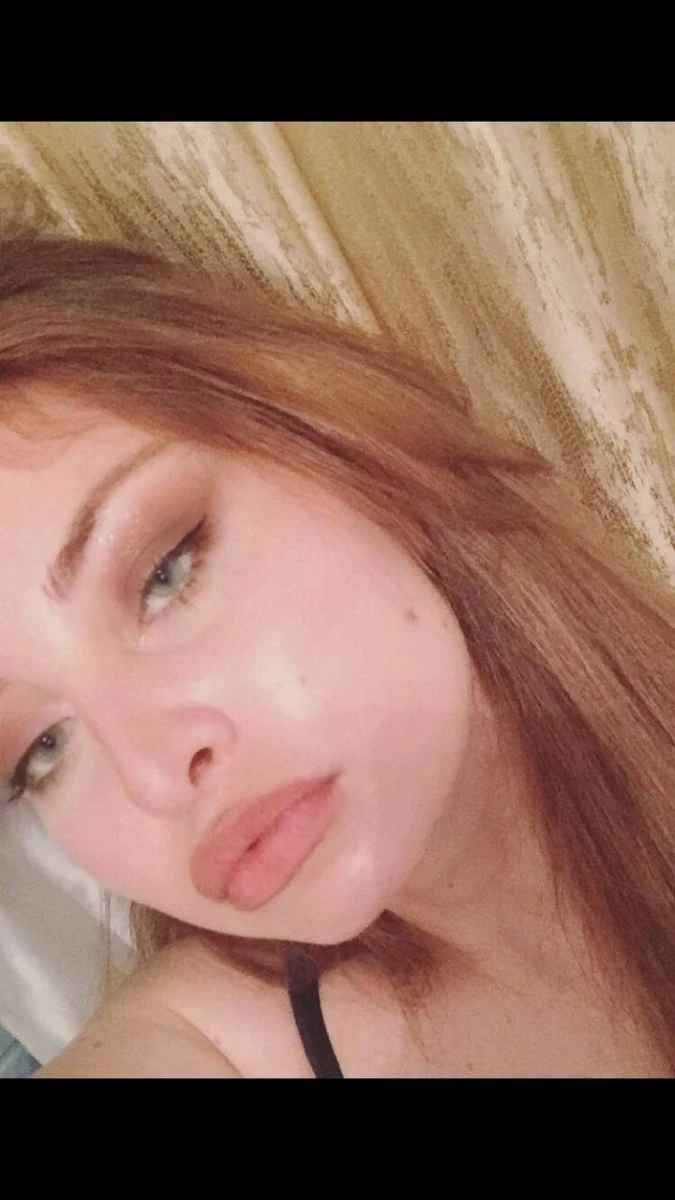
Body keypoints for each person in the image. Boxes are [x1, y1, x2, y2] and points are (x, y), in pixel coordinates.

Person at [0, 235, 672, 1078]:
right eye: (41, 749)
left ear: (343, 443)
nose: (154, 777)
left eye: (164, 572)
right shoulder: (205, 1046)